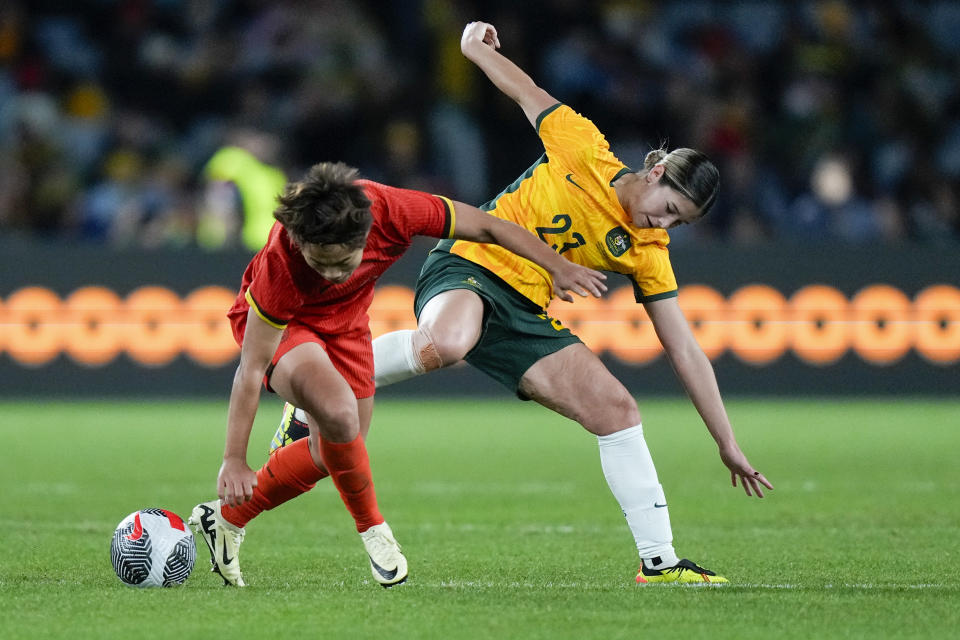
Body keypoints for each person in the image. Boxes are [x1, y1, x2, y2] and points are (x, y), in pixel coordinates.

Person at [274, 21, 774, 585]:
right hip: (470, 261)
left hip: (522, 309)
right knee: (448, 342)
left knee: (618, 411)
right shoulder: (583, 147)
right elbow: (523, 90)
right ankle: (323, 386)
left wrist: (726, 442)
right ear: (655, 172)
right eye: (668, 208)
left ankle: (658, 562)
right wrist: (471, 48)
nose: (664, 223)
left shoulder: (647, 251)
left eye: (678, 222)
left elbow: (683, 347)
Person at [188, 160, 607, 588]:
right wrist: (233, 460)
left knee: (331, 452)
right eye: (319, 263)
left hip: (348, 326)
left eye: (342, 263)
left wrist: (557, 265)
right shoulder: (281, 262)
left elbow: (490, 227)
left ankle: (224, 519)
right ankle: (374, 530)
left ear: (364, 235)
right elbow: (250, 369)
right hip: (287, 327)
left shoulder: (394, 210)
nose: (331, 275)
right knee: (339, 413)